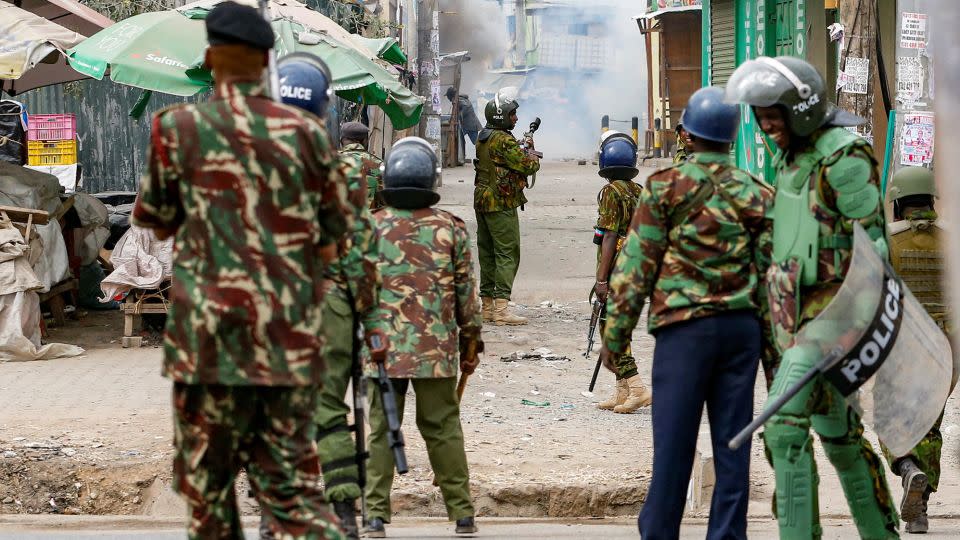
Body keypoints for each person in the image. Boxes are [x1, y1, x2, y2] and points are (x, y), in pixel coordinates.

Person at [131, 3, 352, 538]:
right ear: (265, 63)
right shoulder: (308, 135)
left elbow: (156, 226)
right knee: (293, 496)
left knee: (209, 500)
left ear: (210, 59)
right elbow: (331, 246)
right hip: (286, 344)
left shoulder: (176, 130)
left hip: (207, 348)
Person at [726, 55, 900, 538]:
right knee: (840, 438)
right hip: (795, 325)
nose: (765, 124)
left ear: (799, 108)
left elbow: (876, 255)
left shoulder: (843, 156)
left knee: (782, 429)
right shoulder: (794, 154)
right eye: (760, 115)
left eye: (773, 113)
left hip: (832, 326)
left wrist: (847, 332)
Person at [600, 86, 774, 539]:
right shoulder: (758, 193)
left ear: (685, 135)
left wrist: (615, 338)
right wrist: (776, 357)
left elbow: (635, 268)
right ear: (732, 136)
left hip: (684, 334)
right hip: (741, 334)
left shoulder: (663, 189)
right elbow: (778, 277)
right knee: (733, 450)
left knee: (673, 450)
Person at [274, 53, 387, 539]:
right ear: (323, 112)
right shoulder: (338, 176)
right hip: (332, 305)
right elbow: (362, 254)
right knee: (329, 411)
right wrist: (374, 320)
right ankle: (343, 509)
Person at [363, 137, 483, 537]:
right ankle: (462, 513)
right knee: (443, 426)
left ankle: (376, 515)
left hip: (382, 350)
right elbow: (467, 294)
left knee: (382, 429)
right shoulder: (451, 228)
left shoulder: (370, 227)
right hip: (436, 349)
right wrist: (472, 342)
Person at [882, 166, 949, 534]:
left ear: (899, 203)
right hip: (946, 351)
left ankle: (908, 468)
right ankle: (920, 511)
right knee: (930, 427)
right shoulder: (951, 240)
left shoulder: (888, 240)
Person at [592, 131, 651, 414]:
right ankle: (622, 391)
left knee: (611, 328)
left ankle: (637, 387)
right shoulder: (637, 190)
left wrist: (601, 279)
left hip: (615, 268)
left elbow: (607, 236)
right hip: (634, 265)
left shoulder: (610, 192)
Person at [473, 90, 540, 325]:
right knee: (507, 253)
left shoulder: (484, 135)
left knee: (488, 253)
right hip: (500, 202)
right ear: (501, 116)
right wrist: (530, 151)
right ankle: (502, 310)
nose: (516, 118)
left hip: (482, 199)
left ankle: (488, 307)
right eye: (512, 114)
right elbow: (528, 166)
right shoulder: (503, 140)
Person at [340, 121, 385, 211]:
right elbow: (385, 202)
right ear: (365, 141)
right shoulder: (379, 165)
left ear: (341, 140)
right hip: (368, 222)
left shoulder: (329, 161)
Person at [446, 86, 483, 157]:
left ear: (450, 95)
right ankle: (461, 156)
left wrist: (460, 115)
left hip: (470, 125)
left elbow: (466, 106)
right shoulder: (459, 99)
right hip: (467, 125)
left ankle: (484, 156)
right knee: (459, 138)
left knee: (476, 143)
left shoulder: (459, 99)